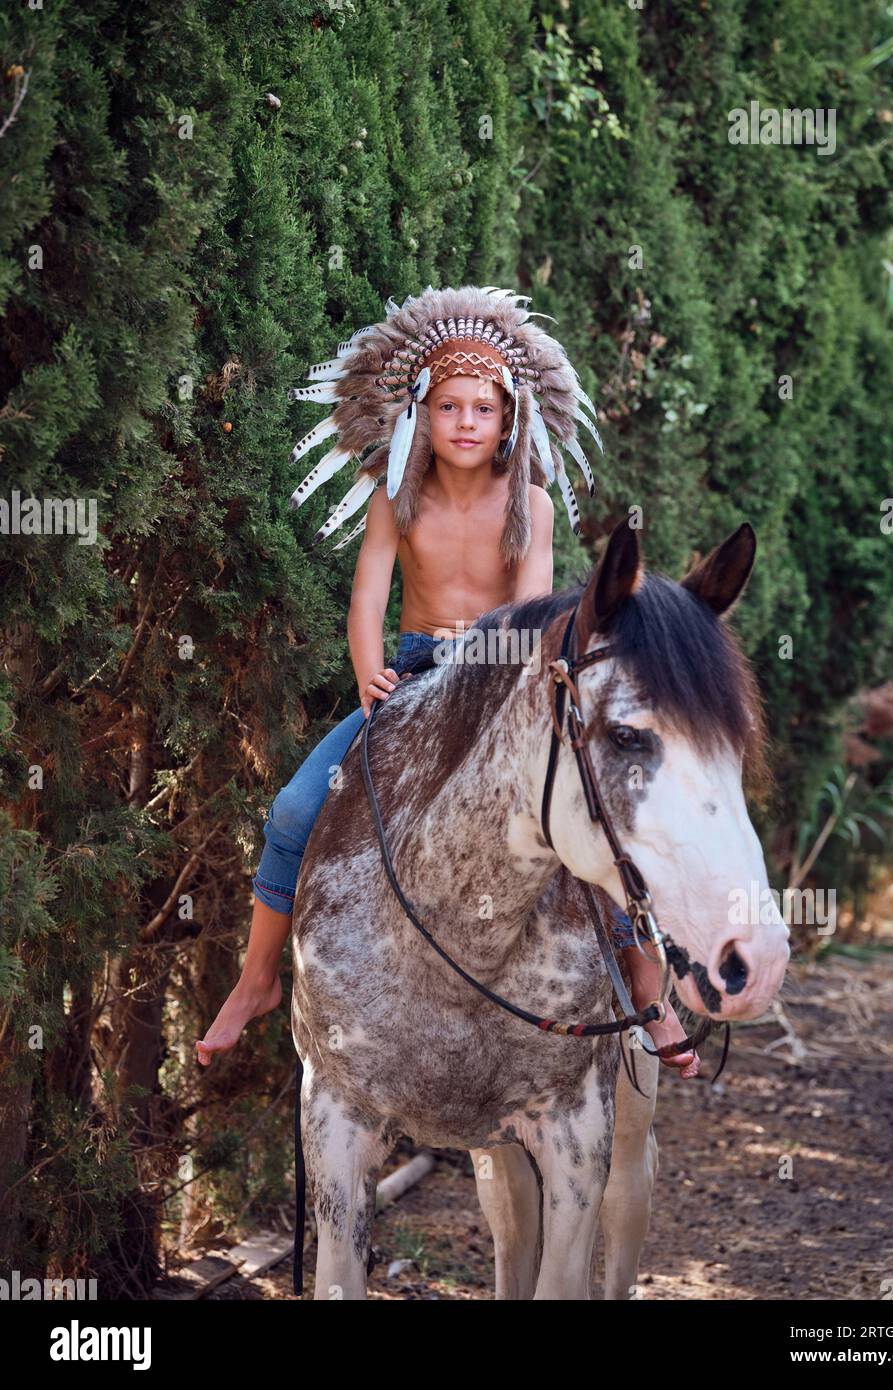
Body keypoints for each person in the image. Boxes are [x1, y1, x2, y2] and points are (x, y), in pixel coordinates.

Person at [195, 286, 698, 1077]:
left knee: (582, 813)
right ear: (422, 413)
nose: (467, 422)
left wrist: (511, 688)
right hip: (414, 674)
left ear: (510, 420)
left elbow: (532, 612)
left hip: (500, 684)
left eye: (484, 408)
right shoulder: (397, 500)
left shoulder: (526, 500)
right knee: (295, 807)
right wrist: (369, 673)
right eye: (451, 405)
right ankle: (258, 977)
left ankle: (644, 982)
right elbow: (366, 600)